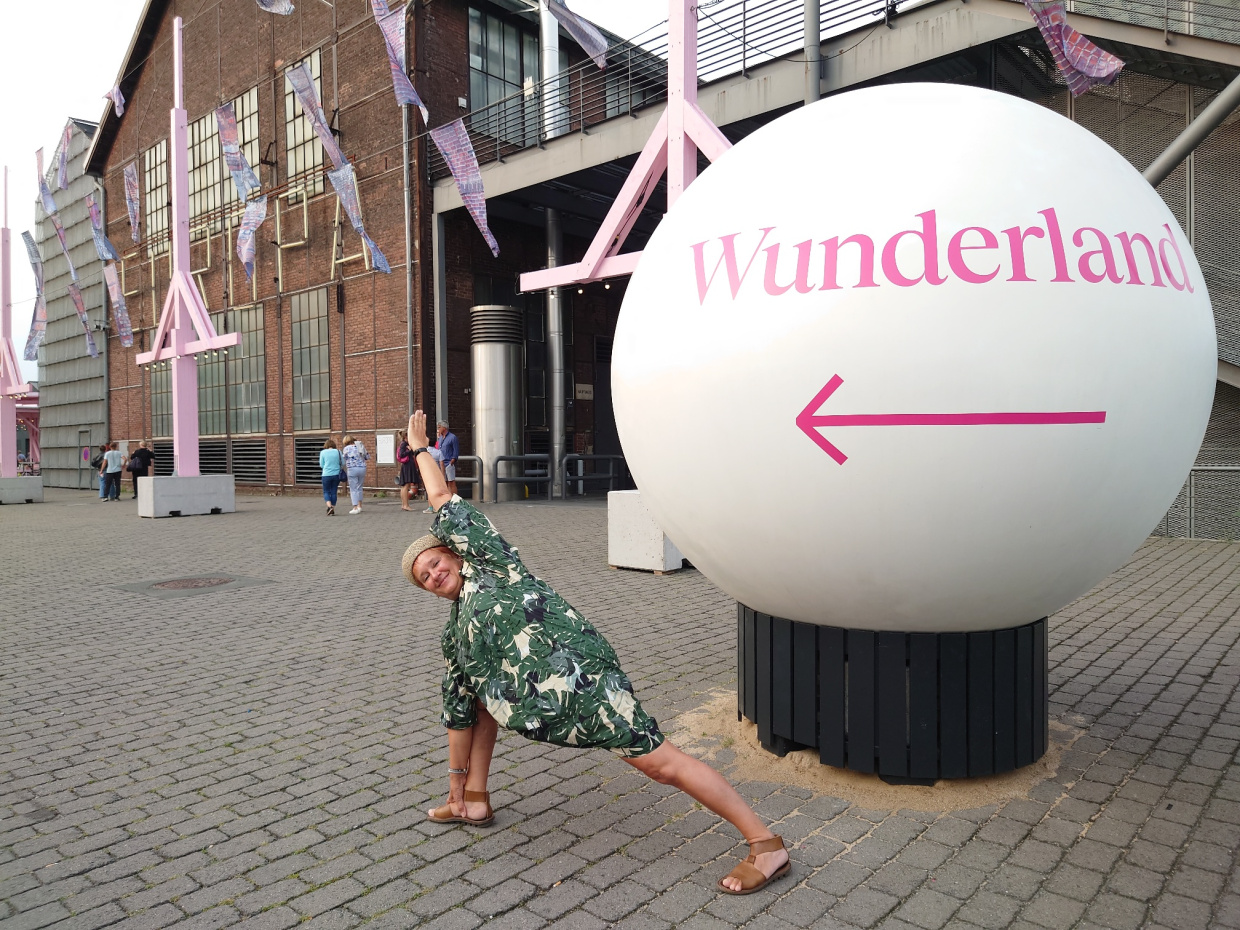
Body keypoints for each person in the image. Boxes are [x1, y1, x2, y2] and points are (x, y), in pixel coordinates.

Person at [401, 410, 789, 895]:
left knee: (660, 763)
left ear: (455, 553)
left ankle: (766, 843)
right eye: (424, 578)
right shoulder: (455, 632)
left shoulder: (490, 563)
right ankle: (473, 801)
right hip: (550, 709)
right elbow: (458, 712)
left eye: (435, 562)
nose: (434, 575)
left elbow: (441, 497)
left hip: (585, 681)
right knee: (478, 701)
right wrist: (456, 784)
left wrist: (420, 448)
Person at [341, 435, 370, 515]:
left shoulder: (346, 449)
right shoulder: (360, 446)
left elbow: (344, 459)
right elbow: (367, 456)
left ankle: (355, 507)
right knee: (359, 487)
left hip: (352, 469)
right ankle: (360, 506)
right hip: (362, 468)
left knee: (353, 489)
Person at [319, 438, 344, 516]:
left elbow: (321, 464)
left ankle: (329, 507)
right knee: (334, 491)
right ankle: (332, 508)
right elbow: (343, 463)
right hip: (336, 474)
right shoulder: (338, 452)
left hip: (326, 474)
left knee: (326, 491)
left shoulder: (323, 452)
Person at [397, 430, 420, 512]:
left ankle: (404, 504)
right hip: (408, 465)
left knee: (404, 485)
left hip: (406, 465)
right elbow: (401, 454)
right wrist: (409, 450)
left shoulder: (403, 443)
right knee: (406, 485)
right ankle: (406, 505)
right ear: (406, 436)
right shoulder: (404, 444)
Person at [436, 420, 459, 497]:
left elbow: (456, 450)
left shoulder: (452, 437)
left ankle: (455, 500)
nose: (438, 429)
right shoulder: (441, 438)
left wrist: (452, 461)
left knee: (451, 482)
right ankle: (447, 499)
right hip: (441, 463)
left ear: (444, 428)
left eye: (439, 427)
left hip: (449, 462)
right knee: (443, 482)